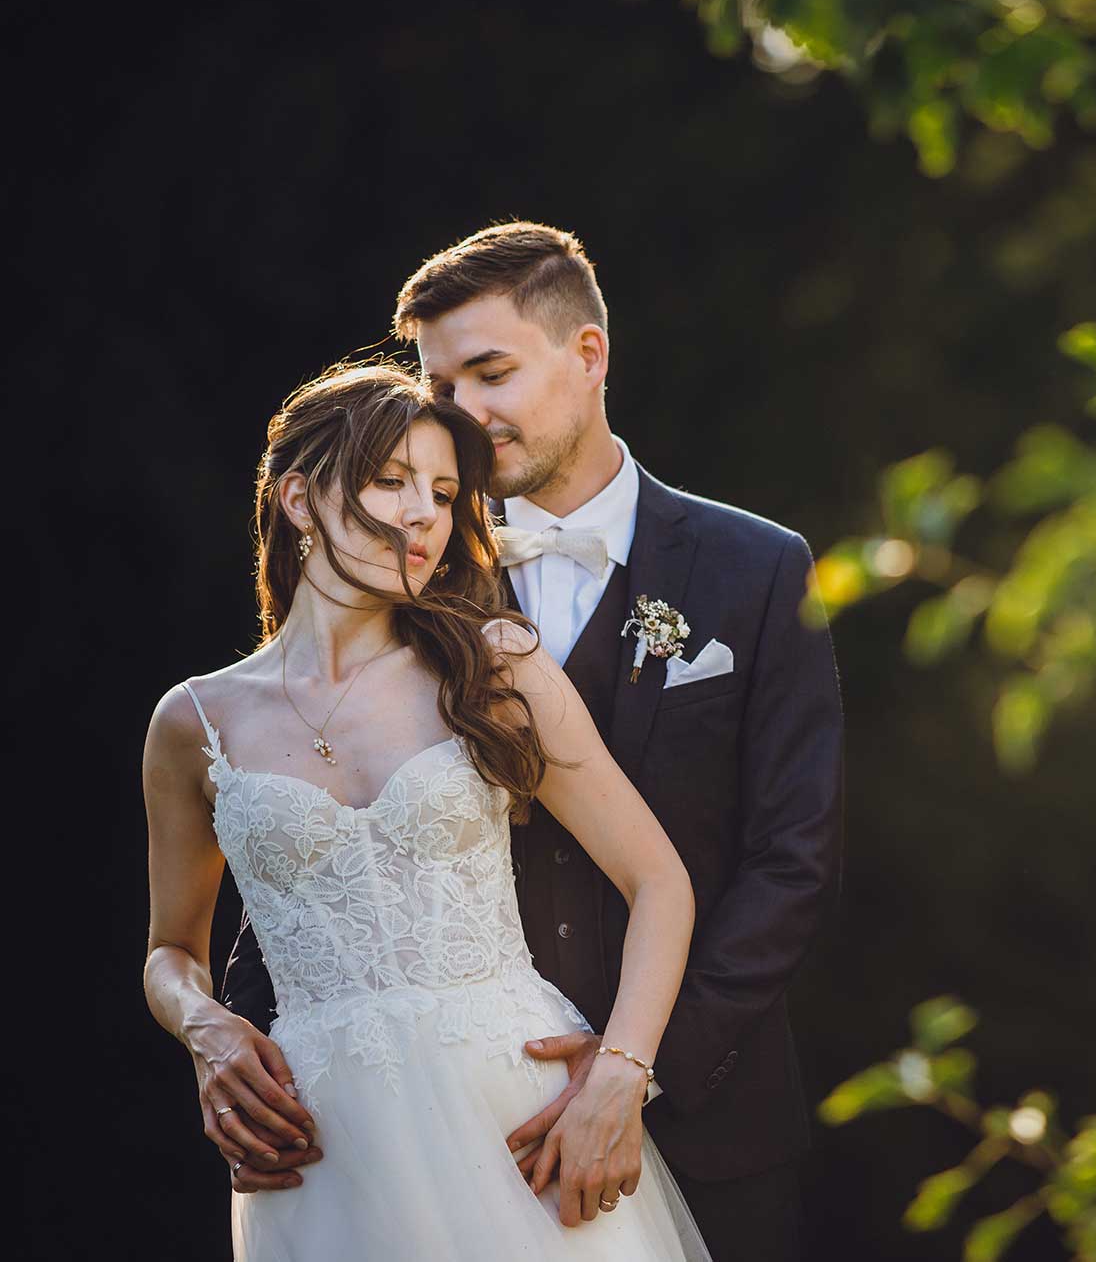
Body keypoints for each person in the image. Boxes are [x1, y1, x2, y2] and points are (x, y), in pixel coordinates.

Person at [212, 223, 845, 1261]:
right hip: (449, 1132)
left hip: (706, 1106)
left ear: (587, 355)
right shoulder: (400, 573)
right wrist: (245, 1048)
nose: (460, 411)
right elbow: (314, 834)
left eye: (490, 372)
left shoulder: (756, 569)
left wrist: (635, 1069)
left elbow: (792, 859)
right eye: (440, 381)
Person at [144, 365, 713, 1259]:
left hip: (514, 1120)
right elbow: (170, 949)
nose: (422, 515)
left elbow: (660, 881)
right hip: (325, 1146)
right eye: (389, 481)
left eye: (444, 493)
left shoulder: (493, 667)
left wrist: (620, 1076)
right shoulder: (196, 721)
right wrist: (206, 1026)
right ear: (298, 498)